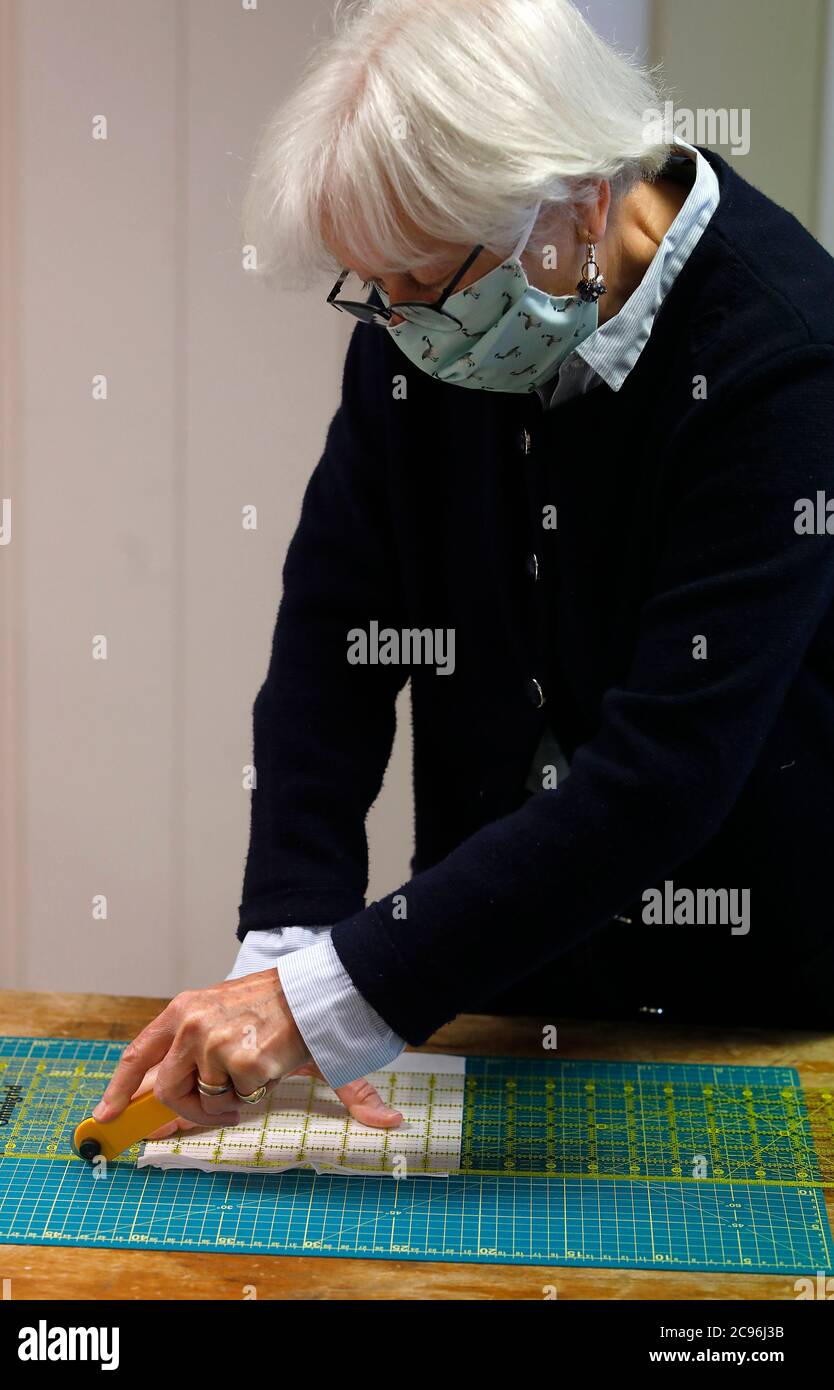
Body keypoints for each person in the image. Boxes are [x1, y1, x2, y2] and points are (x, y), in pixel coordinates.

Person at [96, 0, 834, 1139]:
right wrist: (293, 934)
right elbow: (338, 632)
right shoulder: (431, 317)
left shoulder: (786, 360)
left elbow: (665, 770)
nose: (400, 327)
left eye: (424, 282)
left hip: (750, 1005)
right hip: (496, 982)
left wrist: (326, 1000)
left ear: (577, 195)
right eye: (371, 293)